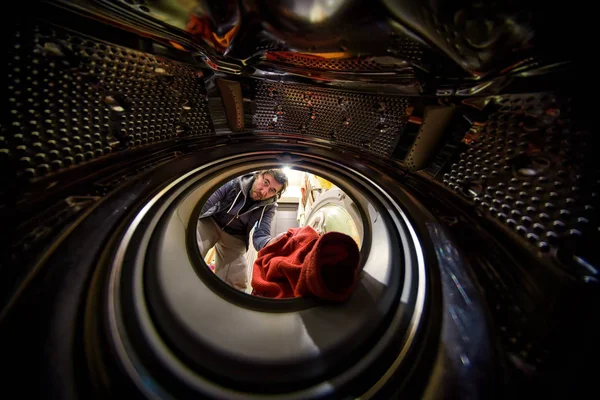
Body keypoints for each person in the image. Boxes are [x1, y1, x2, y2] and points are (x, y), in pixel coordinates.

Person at [197, 169, 288, 290]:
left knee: (237, 279)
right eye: (265, 182)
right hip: (212, 221)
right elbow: (207, 202)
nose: (264, 191)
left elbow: (260, 235)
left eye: (272, 190)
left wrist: (270, 243)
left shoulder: (269, 206)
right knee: (193, 245)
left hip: (236, 236)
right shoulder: (235, 181)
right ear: (258, 176)